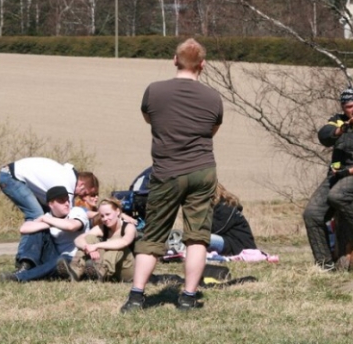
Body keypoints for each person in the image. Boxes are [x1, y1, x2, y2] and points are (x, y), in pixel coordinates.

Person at [121, 38, 223, 312]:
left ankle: (136, 296)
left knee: (153, 235)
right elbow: (212, 130)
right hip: (202, 170)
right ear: (203, 65)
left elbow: (149, 119)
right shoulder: (213, 97)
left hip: (167, 171)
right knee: (197, 237)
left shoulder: (154, 91)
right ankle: (188, 297)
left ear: (174, 60)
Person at [303, 87, 353, 271]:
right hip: (337, 175)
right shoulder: (336, 121)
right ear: (343, 107)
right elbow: (324, 136)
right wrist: (343, 128)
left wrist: (349, 172)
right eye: (350, 106)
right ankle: (325, 264)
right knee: (311, 214)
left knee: (337, 196)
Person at [0, 157, 98, 271]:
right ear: (81, 185)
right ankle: (24, 261)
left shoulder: (67, 174)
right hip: (11, 177)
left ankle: (39, 256)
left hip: (10, 172)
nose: (82, 197)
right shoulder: (67, 184)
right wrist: (95, 214)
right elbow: (69, 216)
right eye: (84, 193)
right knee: (36, 215)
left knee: (46, 217)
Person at [0, 186, 89, 282]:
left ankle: (20, 277)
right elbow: (24, 229)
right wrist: (46, 223)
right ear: (51, 204)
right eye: (61, 201)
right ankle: (26, 265)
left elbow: (71, 226)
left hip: (73, 259)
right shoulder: (47, 216)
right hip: (53, 256)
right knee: (36, 231)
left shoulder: (76, 211)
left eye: (67, 200)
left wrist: (45, 221)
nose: (67, 203)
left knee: (62, 259)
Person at [57, 197, 137, 282]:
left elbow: (124, 242)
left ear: (117, 212)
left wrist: (96, 246)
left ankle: (101, 271)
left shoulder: (129, 227)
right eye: (102, 216)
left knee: (117, 245)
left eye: (108, 214)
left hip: (128, 271)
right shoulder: (102, 228)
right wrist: (88, 248)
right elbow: (78, 239)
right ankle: (75, 271)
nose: (105, 219)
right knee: (89, 238)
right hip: (111, 271)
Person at [208, 183, 257, 256]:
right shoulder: (222, 207)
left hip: (238, 245)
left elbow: (215, 230)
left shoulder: (225, 208)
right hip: (228, 242)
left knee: (197, 238)